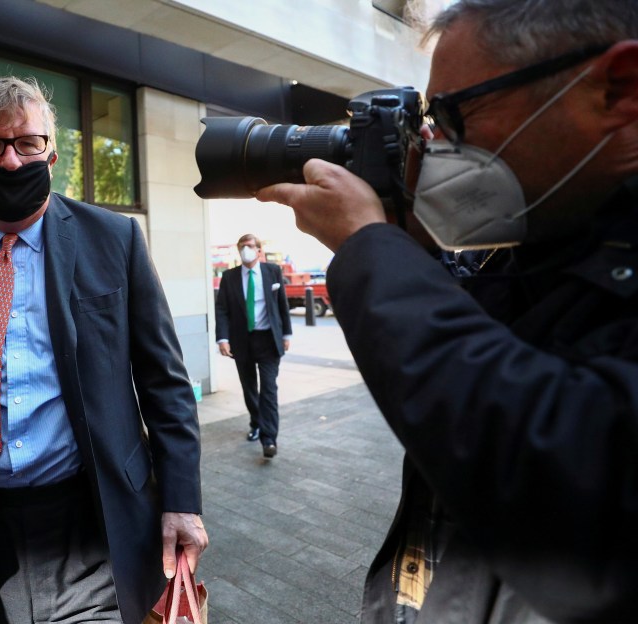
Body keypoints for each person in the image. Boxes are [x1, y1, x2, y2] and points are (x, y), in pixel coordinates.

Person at [257, 1, 638, 621]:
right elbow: (496, 359)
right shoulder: (555, 234)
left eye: (453, 116)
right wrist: (416, 245)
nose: (434, 147)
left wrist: (369, 249)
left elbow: (574, 485)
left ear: (618, 89)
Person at [0, 74, 207, 624]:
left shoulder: (114, 240)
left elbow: (164, 381)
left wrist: (182, 499)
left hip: (90, 519)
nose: (10, 161)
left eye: (27, 142)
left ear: (52, 153)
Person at [214, 234, 292, 457]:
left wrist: (286, 333)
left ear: (259, 250)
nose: (246, 250)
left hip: (268, 339)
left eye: (250, 246)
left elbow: (282, 304)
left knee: (268, 388)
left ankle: (269, 440)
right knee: (249, 387)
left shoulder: (272, 272)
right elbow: (222, 309)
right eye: (242, 247)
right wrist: (223, 339)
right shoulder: (229, 277)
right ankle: (256, 422)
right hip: (242, 341)